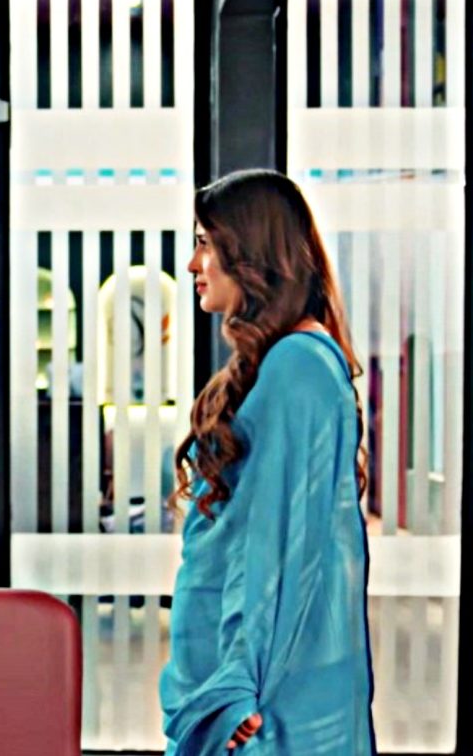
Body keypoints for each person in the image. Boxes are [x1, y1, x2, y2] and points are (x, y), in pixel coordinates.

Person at [160, 170, 376, 754]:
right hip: (243, 683)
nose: (193, 263)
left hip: (262, 705)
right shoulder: (281, 361)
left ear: (250, 253)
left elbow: (282, 546)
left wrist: (237, 687)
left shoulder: (296, 367)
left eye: (206, 244)